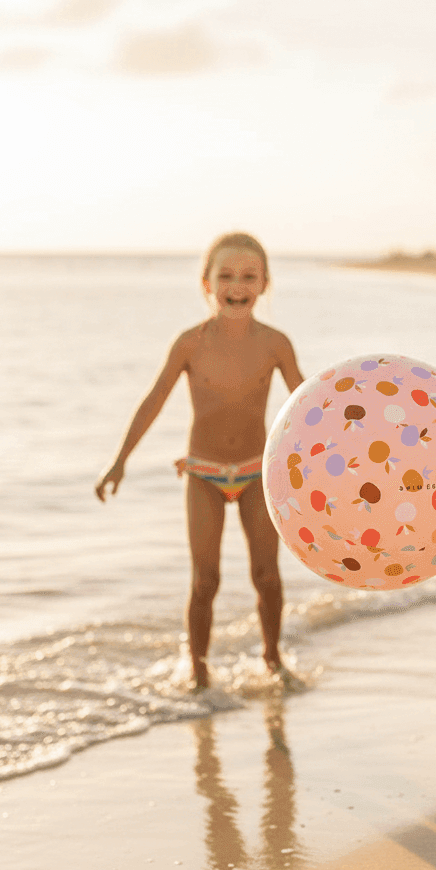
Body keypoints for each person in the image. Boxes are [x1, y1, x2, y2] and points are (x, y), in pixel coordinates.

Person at [95, 232, 305, 690]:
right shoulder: (190, 343)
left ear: (265, 284)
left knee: (266, 575)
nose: (237, 285)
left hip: (256, 473)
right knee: (204, 580)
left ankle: (272, 658)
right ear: (206, 284)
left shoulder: (276, 344)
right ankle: (199, 669)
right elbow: (154, 399)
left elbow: (306, 408)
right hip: (204, 475)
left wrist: (339, 461)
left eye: (249, 276)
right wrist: (120, 460)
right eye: (225, 275)